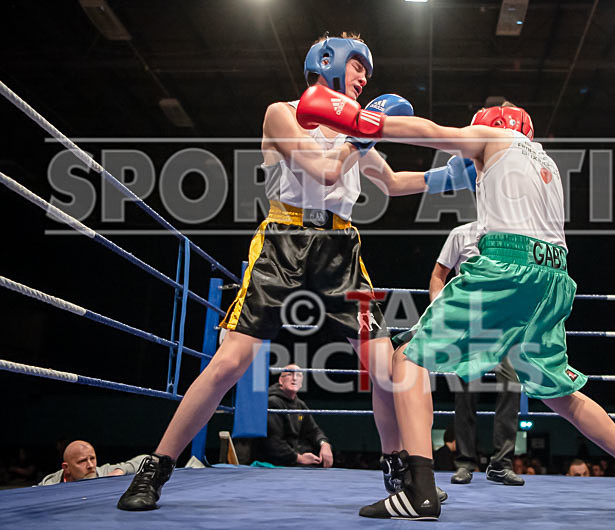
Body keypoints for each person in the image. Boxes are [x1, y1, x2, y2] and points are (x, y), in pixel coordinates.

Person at [116, 33, 468, 511]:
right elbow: (323, 170)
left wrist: (449, 177)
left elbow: (390, 182)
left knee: (386, 367)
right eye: (357, 66)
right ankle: (155, 469)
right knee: (230, 362)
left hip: (341, 249)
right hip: (284, 240)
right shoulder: (282, 113)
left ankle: (398, 467)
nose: (364, 78)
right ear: (327, 61)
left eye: (368, 72)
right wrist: (359, 137)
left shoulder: (353, 130)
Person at [295, 89, 615, 519]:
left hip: (507, 267)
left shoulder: (495, 138)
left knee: (406, 357)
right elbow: (413, 182)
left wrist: (361, 121)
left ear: (492, 124)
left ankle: (419, 491)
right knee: (560, 392)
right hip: (554, 278)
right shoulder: (545, 162)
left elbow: (431, 133)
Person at [431, 222, 524, 486]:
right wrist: (440, 312)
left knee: (512, 383)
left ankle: (501, 464)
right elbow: (438, 275)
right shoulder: (460, 234)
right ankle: (464, 463)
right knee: (467, 390)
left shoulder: (511, 234)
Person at [255, 364, 333, 467]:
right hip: (276, 461)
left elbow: (313, 430)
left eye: (298, 375)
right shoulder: (272, 402)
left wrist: (324, 444)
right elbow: (273, 442)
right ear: (281, 380)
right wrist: (299, 458)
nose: (294, 378)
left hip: (293, 458)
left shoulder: (300, 405)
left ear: (301, 383)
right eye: (290, 374)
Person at [39, 440, 148, 485]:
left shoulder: (104, 473)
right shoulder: (49, 486)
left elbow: (146, 459)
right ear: (66, 468)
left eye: (92, 458)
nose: (90, 465)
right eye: (82, 461)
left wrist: (120, 470)